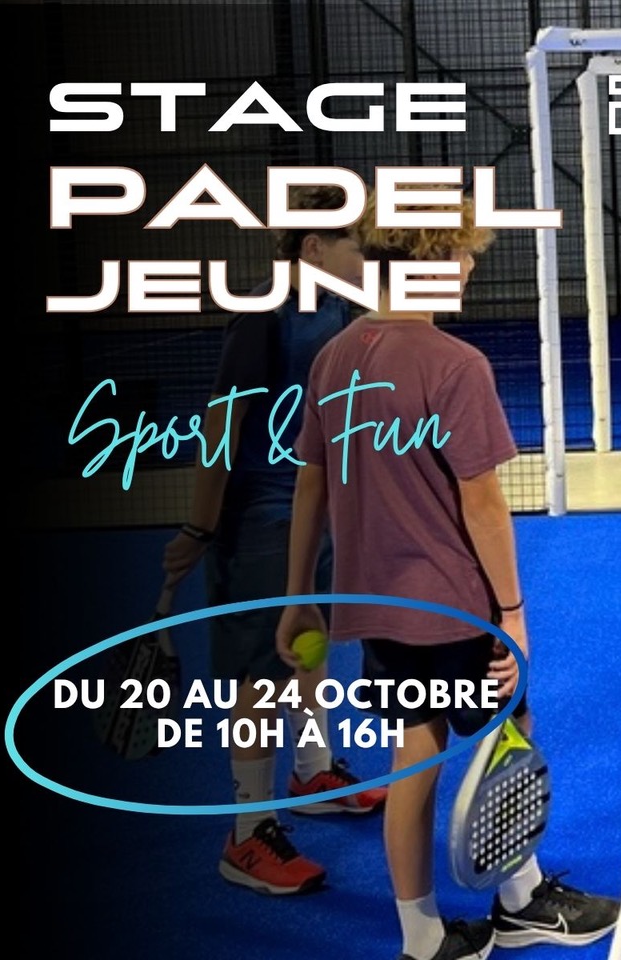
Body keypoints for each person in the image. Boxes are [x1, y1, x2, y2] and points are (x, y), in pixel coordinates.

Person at [276, 190, 620, 960]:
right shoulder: (456, 365)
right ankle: (522, 900)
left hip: (374, 606)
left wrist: (299, 600)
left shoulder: (334, 358)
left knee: (415, 752)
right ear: (430, 263)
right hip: (456, 606)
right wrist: (513, 611)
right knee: (512, 729)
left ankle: (423, 936)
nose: (469, 269)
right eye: (462, 255)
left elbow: (310, 485)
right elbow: (484, 502)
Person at [162, 185, 386, 896]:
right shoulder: (262, 313)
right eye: (355, 243)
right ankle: (246, 833)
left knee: (308, 640)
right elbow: (222, 422)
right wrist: (200, 527)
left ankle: (312, 773)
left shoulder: (341, 308)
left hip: (316, 513)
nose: (365, 255)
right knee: (259, 675)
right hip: (259, 520)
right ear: (313, 247)